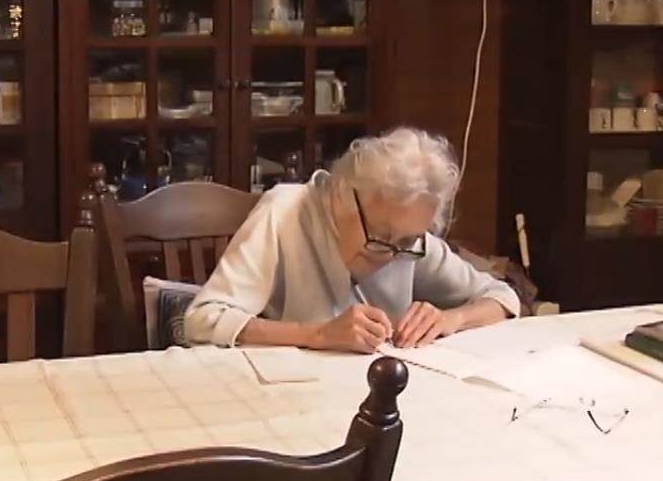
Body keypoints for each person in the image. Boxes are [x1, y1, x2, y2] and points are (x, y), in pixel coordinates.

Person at [181, 127, 519, 353]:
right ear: (343, 192)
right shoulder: (285, 211)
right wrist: (316, 334)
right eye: (381, 236)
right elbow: (203, 320)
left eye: (406, 242)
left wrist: (451, 319)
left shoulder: (407, 244)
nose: (389, 255)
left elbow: (503, 298)